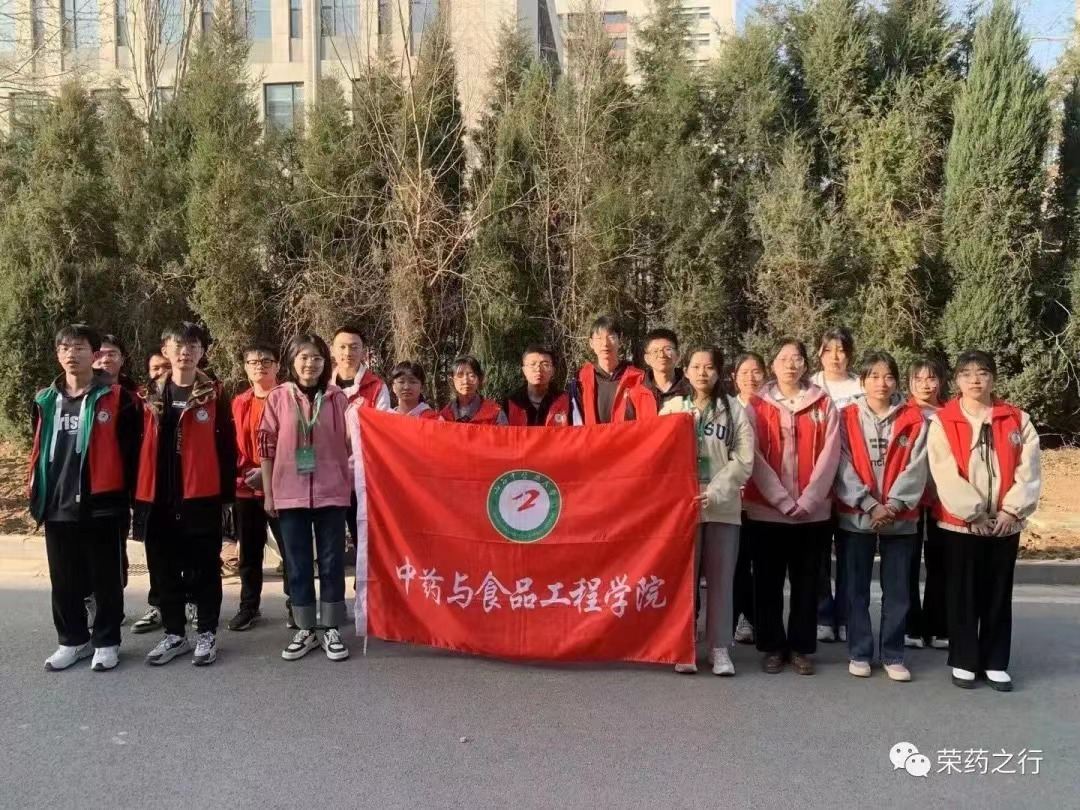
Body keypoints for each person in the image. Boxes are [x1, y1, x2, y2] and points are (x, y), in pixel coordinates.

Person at [927, 351, 1041, 692]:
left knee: (997, 592)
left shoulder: (1017, 419)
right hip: (961, 523)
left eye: (982, 373)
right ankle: (964, 659)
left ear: (993, 377)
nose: (975, 380)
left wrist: (1012, 510)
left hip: (1005, 522)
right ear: (956, 380)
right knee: (962, 592)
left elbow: (1029, 470)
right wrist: (972, 511)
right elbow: (943, 472)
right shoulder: (943, 421)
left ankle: (995, 661)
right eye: (967, 373)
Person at [30, 324, 140, 672]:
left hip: (102, 501)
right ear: (57, 354)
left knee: (105, 577)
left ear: (94, 355)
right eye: (65, 348)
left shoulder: (117, 397)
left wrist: (131, 499)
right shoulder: (44, 400)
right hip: (57, 501)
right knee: (64, 579)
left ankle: (106, 641)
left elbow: (132, 453)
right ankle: (72, 640)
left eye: (79, 348)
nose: (71, 354)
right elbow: (39, 450)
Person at [135, 322, 236, 667]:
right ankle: (174, 634)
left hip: (200, 496)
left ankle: (206, 632)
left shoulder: (215, 394)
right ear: (165, 350)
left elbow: (227, 447)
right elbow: (134, 448)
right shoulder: (147, 396)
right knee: (163, 569)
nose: (185, 351)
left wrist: (225, 497)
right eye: (178, 345)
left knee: (205, 568)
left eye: (193, 346)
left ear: (202, 352)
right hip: (157, 497)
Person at [743, 338, 840, 675]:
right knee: (767, 582)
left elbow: (831, 454)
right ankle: (772, 646)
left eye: (796, 358)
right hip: (766, 511)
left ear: (805, 364)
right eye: (783, 358)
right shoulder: (756, 405)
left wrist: (810, 499)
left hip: (812, 514)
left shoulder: (823, 403)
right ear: (772, 364)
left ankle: (800, 648)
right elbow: (752, 456)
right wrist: (782, 500)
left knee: (807, 583)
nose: (790, 364)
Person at [834, 351, 928, 682]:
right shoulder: (845, 417)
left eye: (888, 376)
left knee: (898, 590)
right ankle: (859, 651)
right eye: (873, 376)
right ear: (862, 381)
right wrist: (869, 504)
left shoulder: (915, 419)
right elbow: (840, 463)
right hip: (856, 515)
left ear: (897, 381)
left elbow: (919, 466)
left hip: (900, 518)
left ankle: (893, 653)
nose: (881, 383)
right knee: (855, 588)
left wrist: (894, 505)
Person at [660, 347, 754, 676]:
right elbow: (657, 455)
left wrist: (714, 491)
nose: (702, 372)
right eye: (696, 366)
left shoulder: (734, 410)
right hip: (683, 507)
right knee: (684, 580)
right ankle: (684, 644)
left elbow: (743, 459)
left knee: (721, 580)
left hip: (722, 505)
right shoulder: (673, 408)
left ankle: (719, 647)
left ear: (718, 372)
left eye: (709, 367)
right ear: (685, 370)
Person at [260, 334, 353, 662]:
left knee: (331, 562)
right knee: (297, 564)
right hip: (289, 493)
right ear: (292, 360)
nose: (310, 364)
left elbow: (353, 442)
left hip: (332, 492)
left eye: (317, 357)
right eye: (304, 357)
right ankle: (305, 629)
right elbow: (266, 446)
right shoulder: (278, 397)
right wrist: (269, 493)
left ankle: (331, 628)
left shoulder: (338, 398)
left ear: (326, 362)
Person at [228, 342, 290, 632]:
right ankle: (249, 606)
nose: (259, 366)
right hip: (246, 486)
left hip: (282, 485)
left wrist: (269, 473)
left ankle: (296, 604)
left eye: (266, 361)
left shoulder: (288, 398)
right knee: (249, 553)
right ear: (245, 368)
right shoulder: (240, 401)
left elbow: (294, 443)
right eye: (252, 362)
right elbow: (233, 445)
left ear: (277, 366)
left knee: (290, 550)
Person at [810, 326, 862, 644]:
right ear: (819, 354)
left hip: (853, 482)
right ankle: (823, 616)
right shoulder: (811, 387)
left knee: (850, 555)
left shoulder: (862, 387)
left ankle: (845, 616)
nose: (835, 357)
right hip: (819, 482)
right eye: (828, 350)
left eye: (841, 350)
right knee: (818, 555)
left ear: (850, 355)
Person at [330, 326, 391, 558]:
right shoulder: (323, 385)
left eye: (354, 347)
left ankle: (365, 580)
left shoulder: (376, 387)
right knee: (330, 540)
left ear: (363, 351)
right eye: (342, 347)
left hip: (362, 476)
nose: (348, 352)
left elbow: (382, 431)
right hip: (329, 475)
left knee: (364, 538)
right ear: (333, 350)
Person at [905, 356, 950, 651]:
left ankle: (939, 624)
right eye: (918, 379)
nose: (925, 384)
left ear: (941, 382)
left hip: (943, 500)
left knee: (941, 563)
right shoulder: (902, 413)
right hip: (909, 500)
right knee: (906, 564)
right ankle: (911, 625)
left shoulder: (952, 413)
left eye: (931, 378)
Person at [131, 353, 172, 635]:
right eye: (155, 368)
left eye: (165, 366)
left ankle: (190, 602)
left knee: (188, 552)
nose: (160, 372)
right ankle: (158, 606)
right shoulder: (140, 402)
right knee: (156, 552)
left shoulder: (193, 396)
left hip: (182, 488)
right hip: (149, 487)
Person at [729, 351, 766, 645]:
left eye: (756, 372)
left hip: (766, 498)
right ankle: (744, 617)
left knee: (763, 565)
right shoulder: (727, 409)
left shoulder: (771, 409)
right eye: (744, 372)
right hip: (733, 499)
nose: (750, 378)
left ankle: (761, 619)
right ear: (734, 378)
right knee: (738, 564)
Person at [569, 315, 645, 425]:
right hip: (593, 436)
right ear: (591, 343)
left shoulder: (638, 378)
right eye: (599, 338)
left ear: (620, 340)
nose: (605, 343)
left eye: (611, 337)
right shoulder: (580, 381)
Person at [626, 328, 692, 420]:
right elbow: (630, 427)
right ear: (647, 359)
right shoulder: (636, 393)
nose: (662, 355)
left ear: (677, 355)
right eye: (655, 351)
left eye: (667, 349)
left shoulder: (691, 389)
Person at [503, 346, 571, 426]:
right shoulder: (511, 402)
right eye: (532, 364)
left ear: (553, 371)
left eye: (545, 365)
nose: (538, 369)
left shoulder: (565, 400)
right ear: (524, 371)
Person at [440, 356, 508, 424]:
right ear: (452, 380)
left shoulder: (495, 413)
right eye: (460, 376)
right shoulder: (444, 416)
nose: (465, 381)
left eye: (471, 376)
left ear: (479, 379)